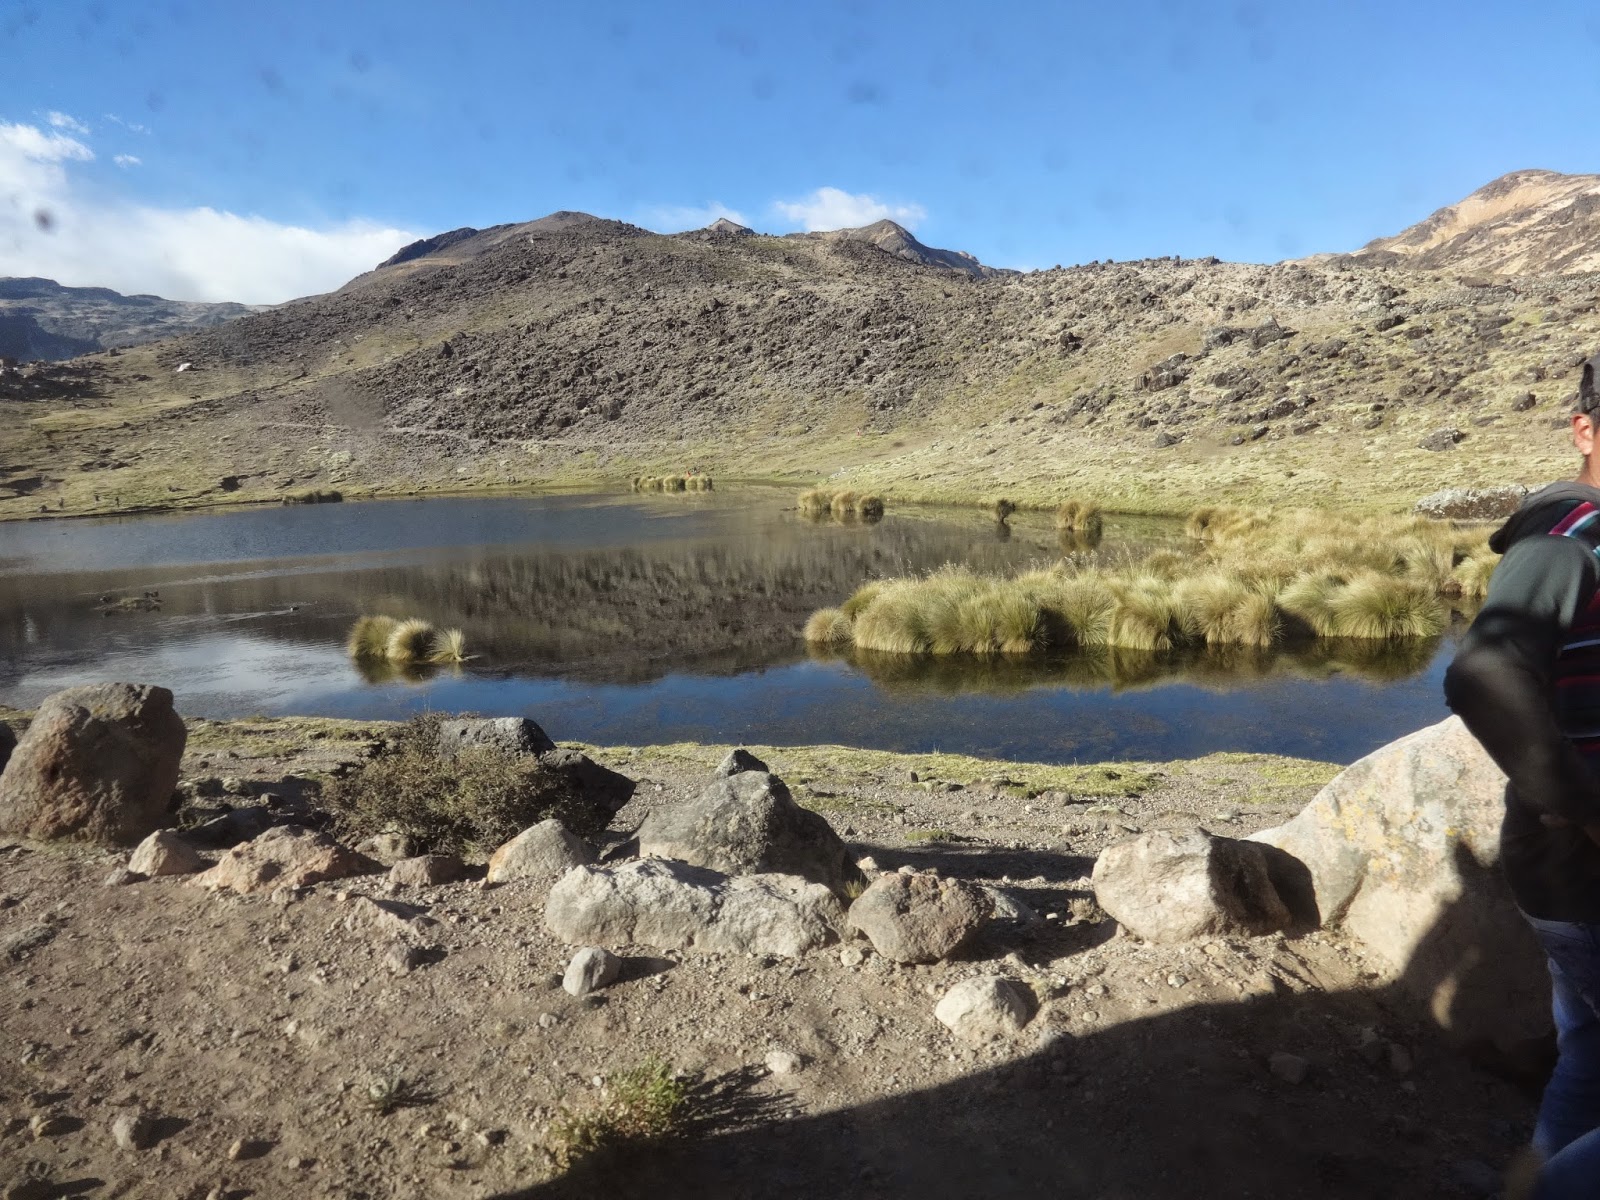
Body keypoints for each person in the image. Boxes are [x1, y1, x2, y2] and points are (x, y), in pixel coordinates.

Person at [1445, 353, 1600, 1197]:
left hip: (1570, 871)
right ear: (1585, 430)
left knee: (1588, 1055)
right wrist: (1590, 811)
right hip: (1578, 871)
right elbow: (1484, 676)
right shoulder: (1567, 541)